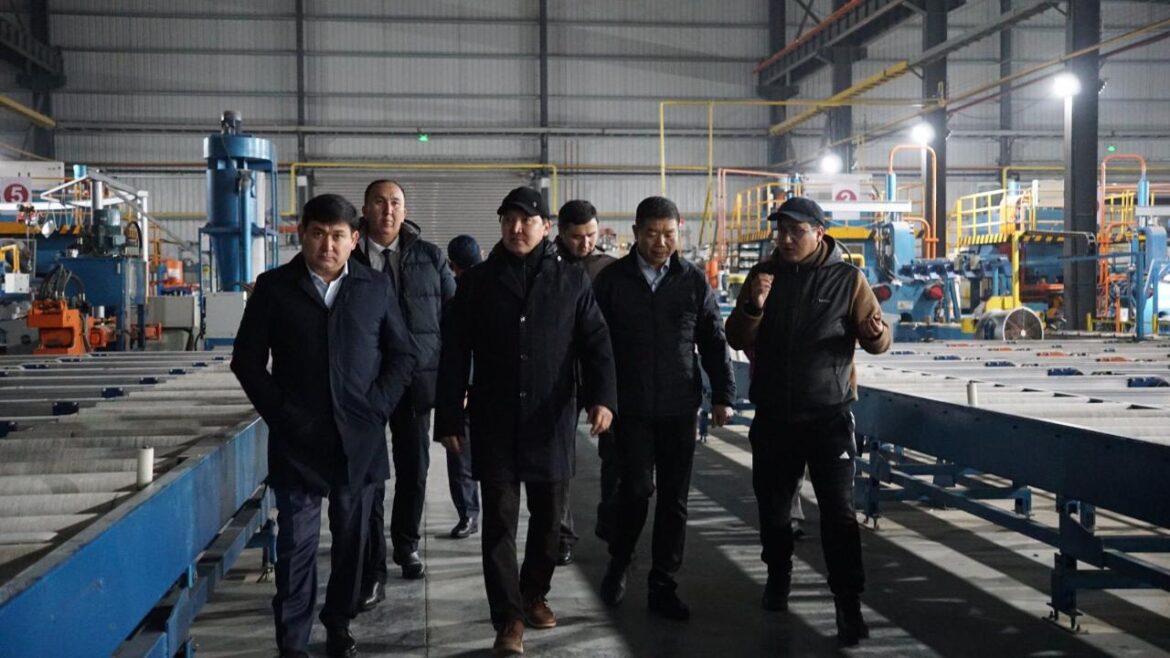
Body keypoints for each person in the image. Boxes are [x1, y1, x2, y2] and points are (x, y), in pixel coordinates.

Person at [231, 194, 416, 658]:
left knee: (353, 543)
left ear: (355, 239)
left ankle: (338, 624)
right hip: (299, 441)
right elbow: (246, 361)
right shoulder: (275, 288)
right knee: (296, 547)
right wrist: (283, 415)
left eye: (337, 236)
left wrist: (376, 408)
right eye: (317, 234)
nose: (327, 246)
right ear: (302, 235)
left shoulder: (375, 287)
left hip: (360, 440)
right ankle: (293, 643)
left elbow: (403, 355)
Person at [435, 186, 617, 656]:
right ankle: (508, 618)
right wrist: (449, 416)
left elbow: (596, 344)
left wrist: (602, 399)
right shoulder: (477, 283)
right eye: (509, 220)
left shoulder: (571, 281)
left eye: (527, 221)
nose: (517, 229)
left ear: (545, 227)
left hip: (549, 419)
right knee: (498, 522)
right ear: (500, 225)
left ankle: (533, 593)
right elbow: (454, 353)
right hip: (493, 419)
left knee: (550, 519)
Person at [725, 196, 890, 647]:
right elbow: (736, 337)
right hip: (774, 417)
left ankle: (848, 604)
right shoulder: (763, 276)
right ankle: (778, 576)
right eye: (781, 231)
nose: (785, 239)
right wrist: (754, 306)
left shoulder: (848, 280)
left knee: (839, 514)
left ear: (819, 233)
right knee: (774, 510)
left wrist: (876, 334)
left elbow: (878, 338)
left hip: (827, 416)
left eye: (796, 231)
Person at [593, 195, 736, 621]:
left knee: (675, 500)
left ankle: (663, 583)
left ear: (680, 231)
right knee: (635, 490)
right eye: (652, 234)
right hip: (630, 408)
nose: (660, 242)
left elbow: (713, 340)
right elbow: (594, 345)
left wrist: (724, 395)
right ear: (636, 233)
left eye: (669, 234)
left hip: (678, 407)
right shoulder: (612, 281)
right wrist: (598, 397)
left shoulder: (692, 280)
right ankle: (621, 559)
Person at [351, 180, 456, 600]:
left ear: (405, 211)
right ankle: (371, 562)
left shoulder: (430, 257)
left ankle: (407, 545)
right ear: (365, 209)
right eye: (379, 203)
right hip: (364, 386)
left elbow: (455, 320)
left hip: (416, 381)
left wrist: (456, 382)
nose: (388, 210)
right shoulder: (348, 256)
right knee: (369, 476)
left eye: (395, 203)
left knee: (414, 469)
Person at [551, 199, 617, 563]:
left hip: (600, 373)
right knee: (558, 460)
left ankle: (611, 519)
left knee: (615, 454)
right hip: (559, 377)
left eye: (591, 235)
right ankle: (561, 533)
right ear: (561, 232)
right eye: (577, 237)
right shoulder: (546, 267)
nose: (586, 243)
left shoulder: (609, 269)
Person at [443, 234, 483, 540]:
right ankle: (472, 514)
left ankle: (468, 514)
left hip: (469, 389)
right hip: (483, 388)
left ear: (451, 265)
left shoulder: (454, 297)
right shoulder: (494, 288)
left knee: (461, 458)